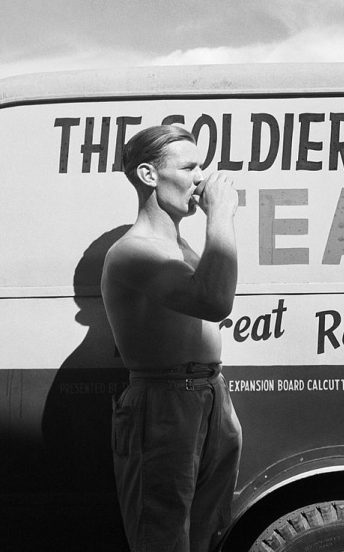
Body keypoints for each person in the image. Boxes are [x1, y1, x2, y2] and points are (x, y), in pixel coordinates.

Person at [101, 124, 242, 552]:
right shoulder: (135, 251)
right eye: (189, 166)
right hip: (164, 403)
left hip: (208, 393)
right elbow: (214, 301)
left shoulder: (181, 248)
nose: (202, 177)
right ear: (148, 175)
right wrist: (220, 214)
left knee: (206, 536)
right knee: (161, 538)